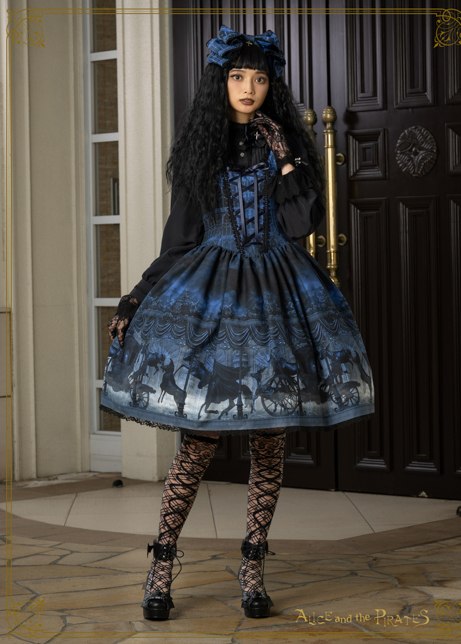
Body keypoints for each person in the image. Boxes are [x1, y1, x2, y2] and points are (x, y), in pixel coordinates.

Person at [101, 25, 375, 621]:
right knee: (197, 444)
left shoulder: (284, 146)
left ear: (271, 86)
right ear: (220, 83)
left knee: (269, 444)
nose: (249, 87)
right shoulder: (203, 151)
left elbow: (300, 226)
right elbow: (179, 241)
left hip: (278, 298)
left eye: (259, 78)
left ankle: (253, 572)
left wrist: (287, 157)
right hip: (214, 300)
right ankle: (160, 567)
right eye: (237, 76)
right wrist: (135, 298)